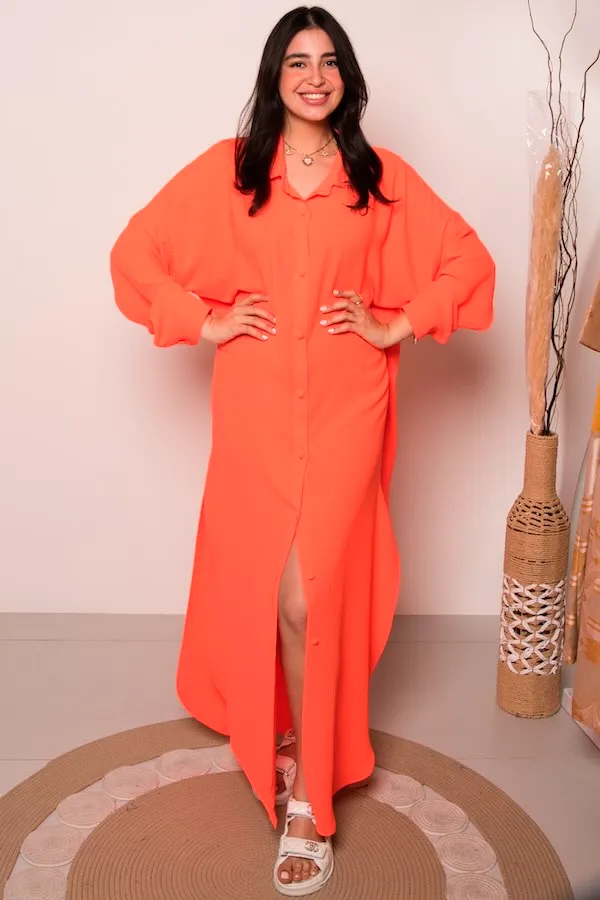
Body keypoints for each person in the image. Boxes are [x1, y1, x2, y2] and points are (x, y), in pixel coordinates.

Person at [110, 5, 495, 895]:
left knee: (309, 594)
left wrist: (395, 322)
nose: (314, 77)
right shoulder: (233, 170)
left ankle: (310, 798)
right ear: (274, 77)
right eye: (297, 62)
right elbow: (135, 254)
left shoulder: (379, 178)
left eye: (328, 62)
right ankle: (290, 730)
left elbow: (467, 264)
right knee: (276, 593)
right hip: (254, 408)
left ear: (347, 77)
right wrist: (205, 320)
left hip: (348, 405)